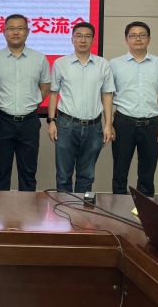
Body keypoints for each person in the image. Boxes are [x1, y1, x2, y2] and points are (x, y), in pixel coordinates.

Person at [47, 21, 115, 193]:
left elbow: (107, 95)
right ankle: (64, 208)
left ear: (93, 40)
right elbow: (53, 93)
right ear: (72, 39)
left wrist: (108, 124)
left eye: (87, 36)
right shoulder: (60, 63)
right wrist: (51, 121)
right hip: (66, 125)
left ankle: (82, 209)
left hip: (94, 127)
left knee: (87, 175)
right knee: (63, 175)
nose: (83, 40)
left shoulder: (103, 64)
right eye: (78, 36)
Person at [110, 21, 158, 197]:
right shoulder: (114, 64)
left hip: (152, 125)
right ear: (126, 40)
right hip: (123, 124)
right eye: (133, 35)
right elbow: (107, 96)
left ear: (149, 39)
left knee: (147, 173)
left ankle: (144, 210)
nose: (138, 39)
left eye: (142, 35)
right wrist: (108, 123)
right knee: (120, 171)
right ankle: (118, 208)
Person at [0, 14, 50, 192]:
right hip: (3, 121)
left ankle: (28, 210)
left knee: (28, 174)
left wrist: (31, 104)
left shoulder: (39, 59)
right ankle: (1, 209)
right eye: (11, 28)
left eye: (20, 28)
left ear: (28, 32)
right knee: (1, 173)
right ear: (4, 32)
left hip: (29, 122)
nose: (15, 32)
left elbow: (45, 86)